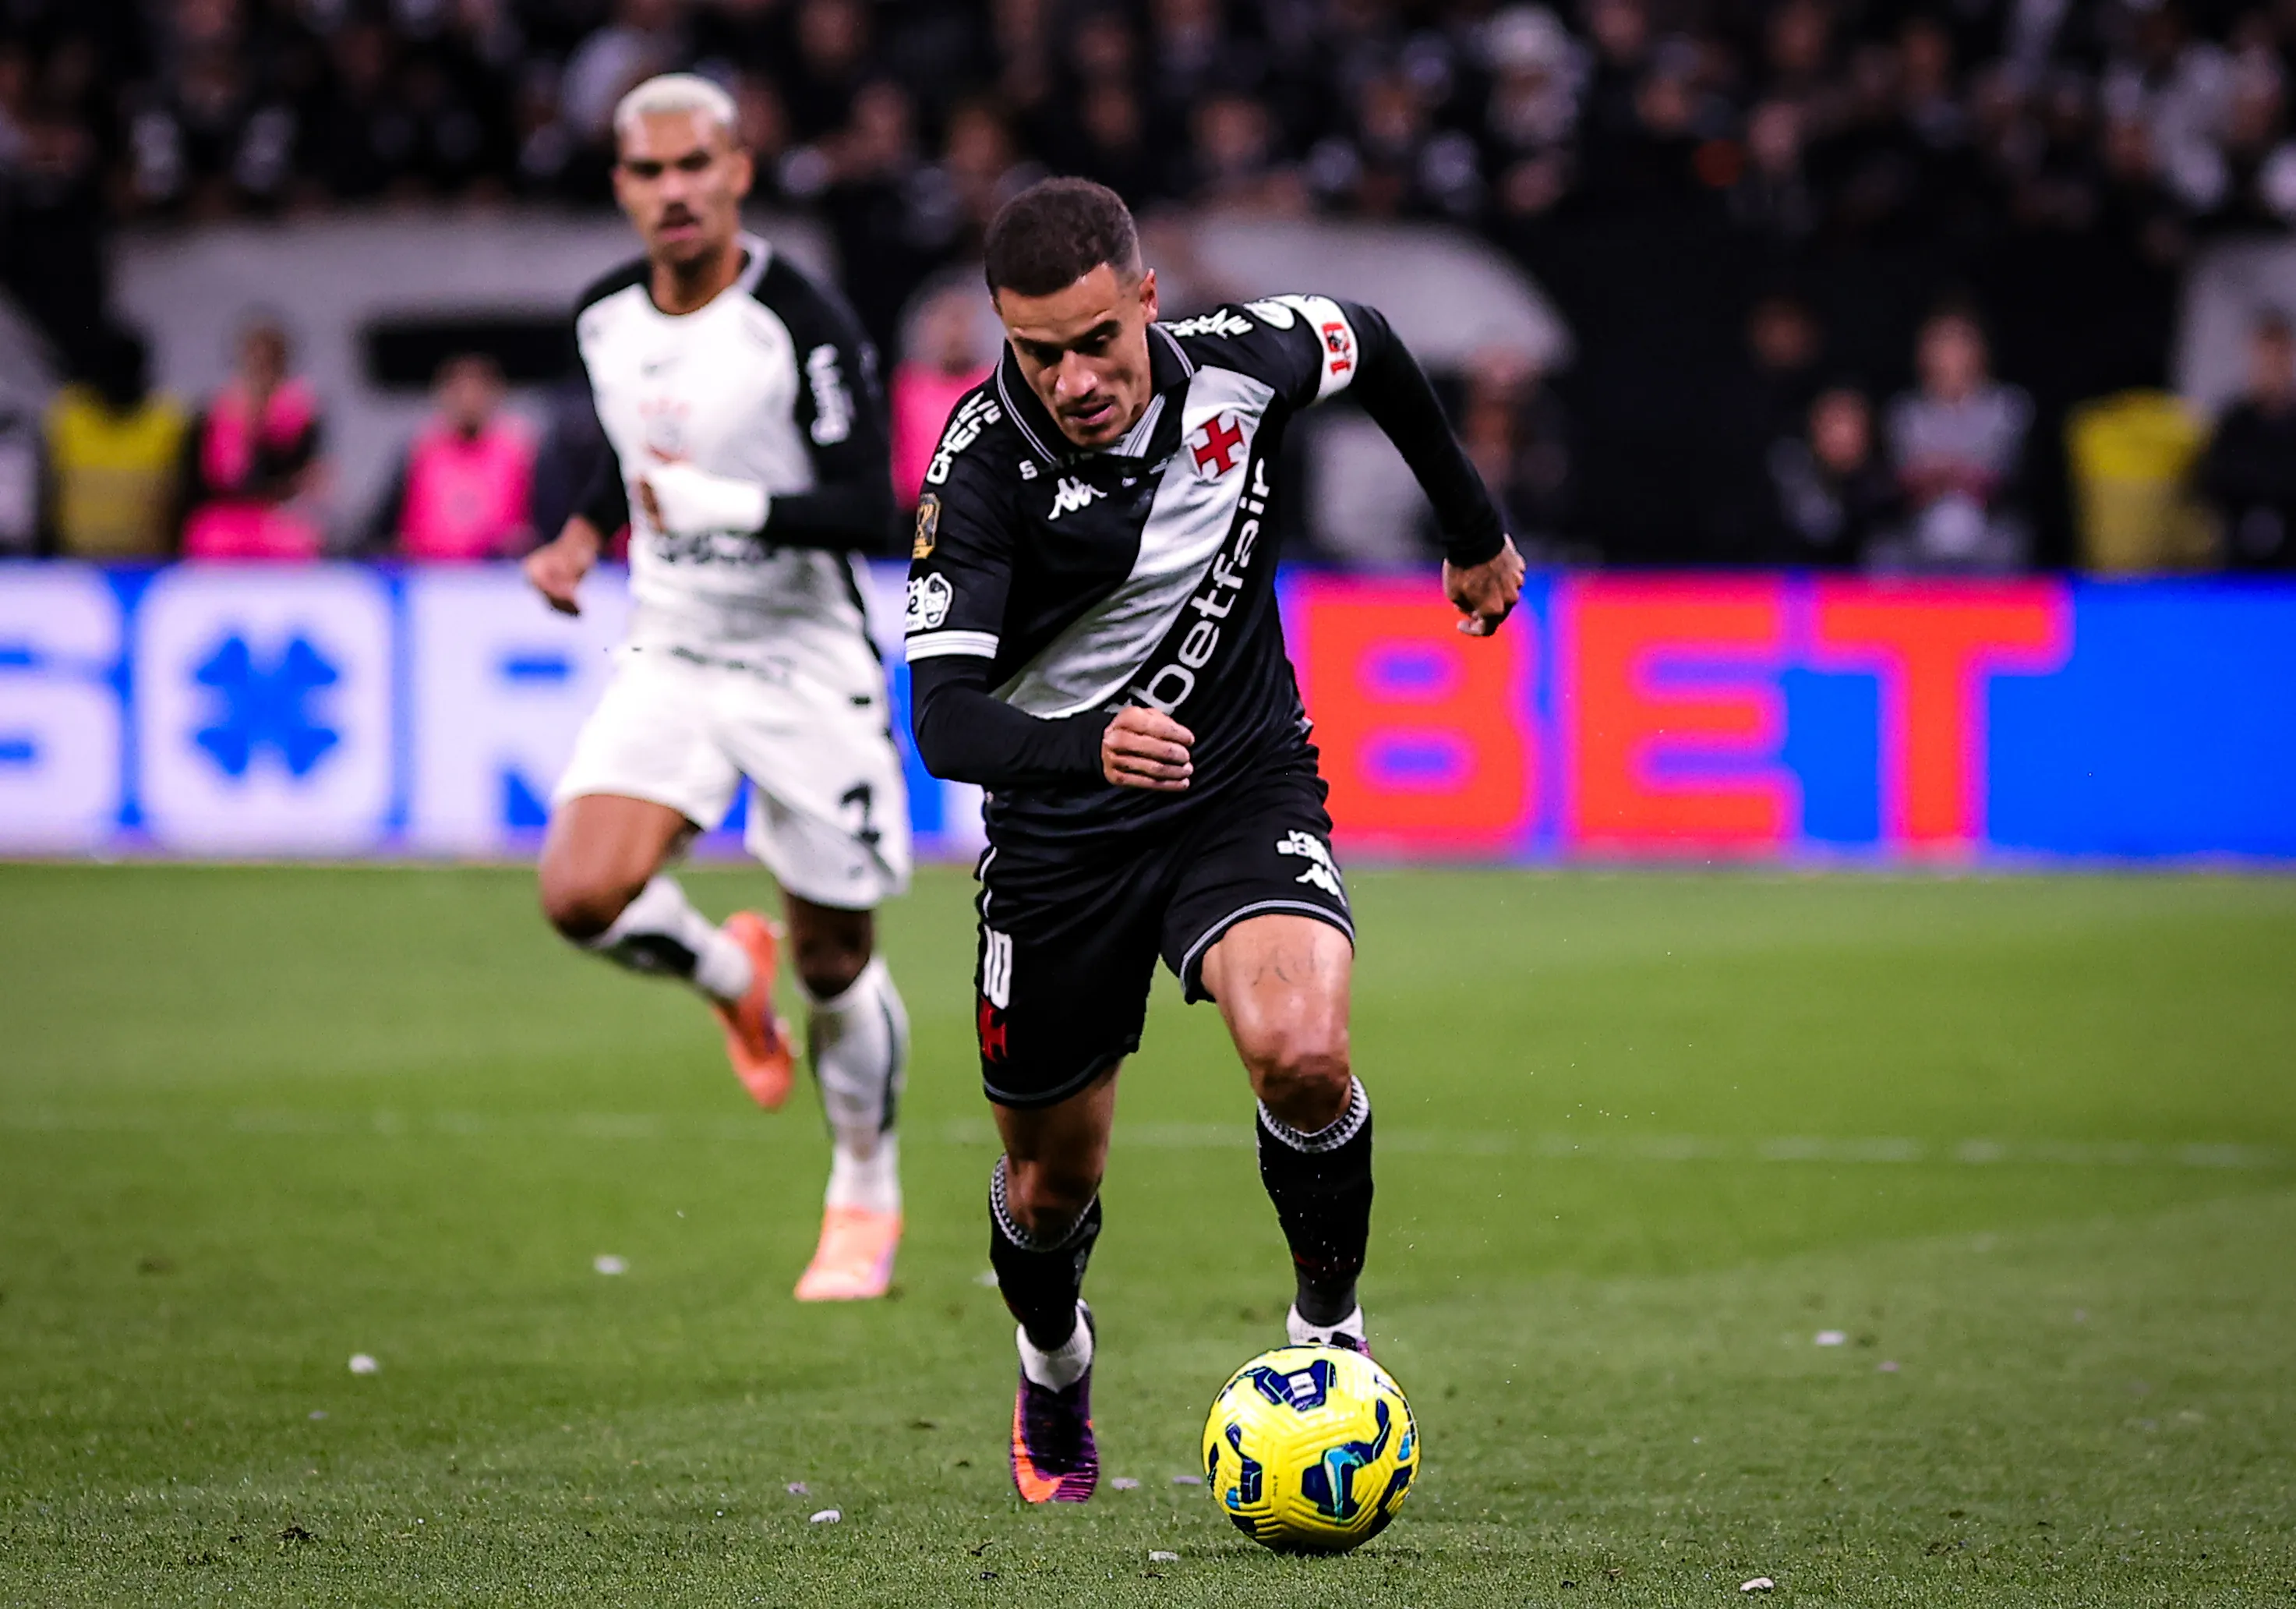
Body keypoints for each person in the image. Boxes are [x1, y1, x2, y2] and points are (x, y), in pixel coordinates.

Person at [903, 178, 1523, 1503]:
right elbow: (945, 720)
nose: (1070, 379)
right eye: (1036, 352)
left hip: (1239, 786)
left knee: (1302, 1050)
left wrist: (1472, 533)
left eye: (1093, 342)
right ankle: (1055, 1357)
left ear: (1145, 299)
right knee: (1047, 1179)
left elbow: (1374, 337)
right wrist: (1086, 744)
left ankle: (1328, 1334)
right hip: (1062, 840)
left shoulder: (1244, 368)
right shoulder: (979, 469)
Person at [519, 74, 913, 1302]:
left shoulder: (798, 317)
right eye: (649, 171)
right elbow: (623, 457)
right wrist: (584, 534)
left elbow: (870, 504)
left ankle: (863, 1185)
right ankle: (729, 978)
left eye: (696, 165)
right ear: (622, 186)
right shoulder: (601, 319)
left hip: (805, 659)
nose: (674, 190)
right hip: (676, 645)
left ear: (739, 169)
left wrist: (728, 506)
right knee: (581, 893)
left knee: (836, 955)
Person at [1875, 306, 2033, 573]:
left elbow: (2008, 478)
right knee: (1883, 551)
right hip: (1920, 526)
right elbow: (1902, 479)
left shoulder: (2009, 406)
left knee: (2011, 544)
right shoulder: (1904, 411)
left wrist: (1957, 474)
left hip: (1988, 525)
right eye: (1940, 342)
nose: (1950, 353)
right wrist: (1936, 478)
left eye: (1961, 341)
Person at [365, 354, 537, 561]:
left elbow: (540, 527)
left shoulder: (519, 454)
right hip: (428, 576)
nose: (469, 400)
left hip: (498, 580)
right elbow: (380, 527)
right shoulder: (419, 453)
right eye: (460, 391)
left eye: (477, 391)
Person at [182, 317, 327, 561]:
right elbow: (204, 480)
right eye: (254, 361)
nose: (260, 370)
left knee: (299, 538)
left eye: (268, 363)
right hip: (227, 514)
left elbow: (304, 477)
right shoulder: (217, 412)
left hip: (278, 513)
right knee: (207, 535)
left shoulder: (304, 414)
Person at [41, 326, 188, 558]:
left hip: (148, 558)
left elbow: (178, 494)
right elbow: (48, 490)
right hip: (76, 557)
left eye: (125, 372)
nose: (117, 381)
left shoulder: (166, 420)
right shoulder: (70, 416)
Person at [2199, 313, 2296, 570]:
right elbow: (2214, 481)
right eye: (2266, 358)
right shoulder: (2233, 424)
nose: (2272, 367)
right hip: (2238, 553)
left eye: (2279, 358)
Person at [1765, 384, 1902, 567]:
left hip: (1868, 588)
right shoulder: (1791, 474)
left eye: (1848, 424)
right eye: (1832, 423)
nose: (1840, 435)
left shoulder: (1884, 486)